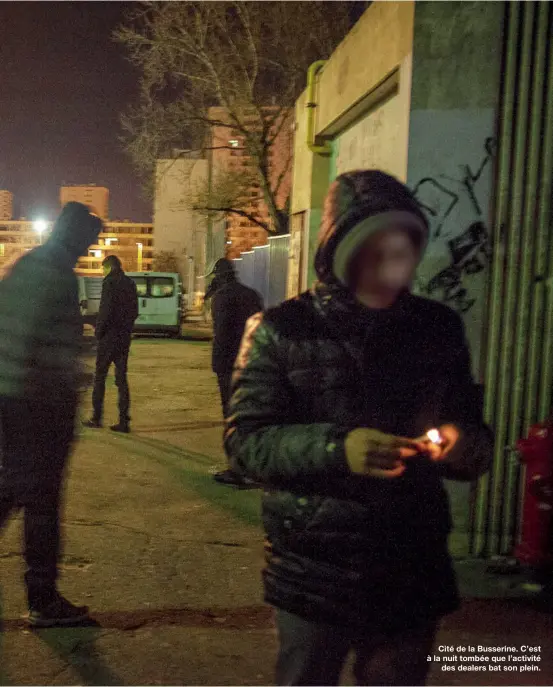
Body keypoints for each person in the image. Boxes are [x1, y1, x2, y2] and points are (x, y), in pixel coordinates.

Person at [225, 170, 494, 686]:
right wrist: (336, 448)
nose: (392, 263)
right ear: (339, 252)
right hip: (313, 572)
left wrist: (458, 445)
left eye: (404, 247)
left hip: (409, 569)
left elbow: (474, 436)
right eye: (375, 247)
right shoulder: (280, 329)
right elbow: (245, 443)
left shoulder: (437, 329)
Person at [0, 202, 102, 627]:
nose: (89, 249)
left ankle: (43, 595)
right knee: (41, 500)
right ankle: (43, 599)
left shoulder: (25, 264)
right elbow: (51, 352)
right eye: (89, 241)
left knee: (11, 489)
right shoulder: (59, 275)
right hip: (36, 405)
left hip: (8, 398)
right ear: (76, 236)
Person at [209, 258, 263, 487]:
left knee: (232, 415)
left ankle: (237, 469)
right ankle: (253, 466)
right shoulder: (252, 295)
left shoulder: (222, 297)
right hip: (252, 360)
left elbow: (221, 333)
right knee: (250, 414)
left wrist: (217, 363)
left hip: (228, 363)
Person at [84, 255, 138, 433]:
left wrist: (99, 332)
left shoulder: (109, 283)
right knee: (121, 379)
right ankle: (124, 421)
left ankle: (96, 417)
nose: (102, 272)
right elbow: (135, 311)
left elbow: (105, 310)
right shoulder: (130, 283)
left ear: (108, 267)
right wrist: (126, 328)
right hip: (123, 338)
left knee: (100, 377)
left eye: (103, 269)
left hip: (108, 338)